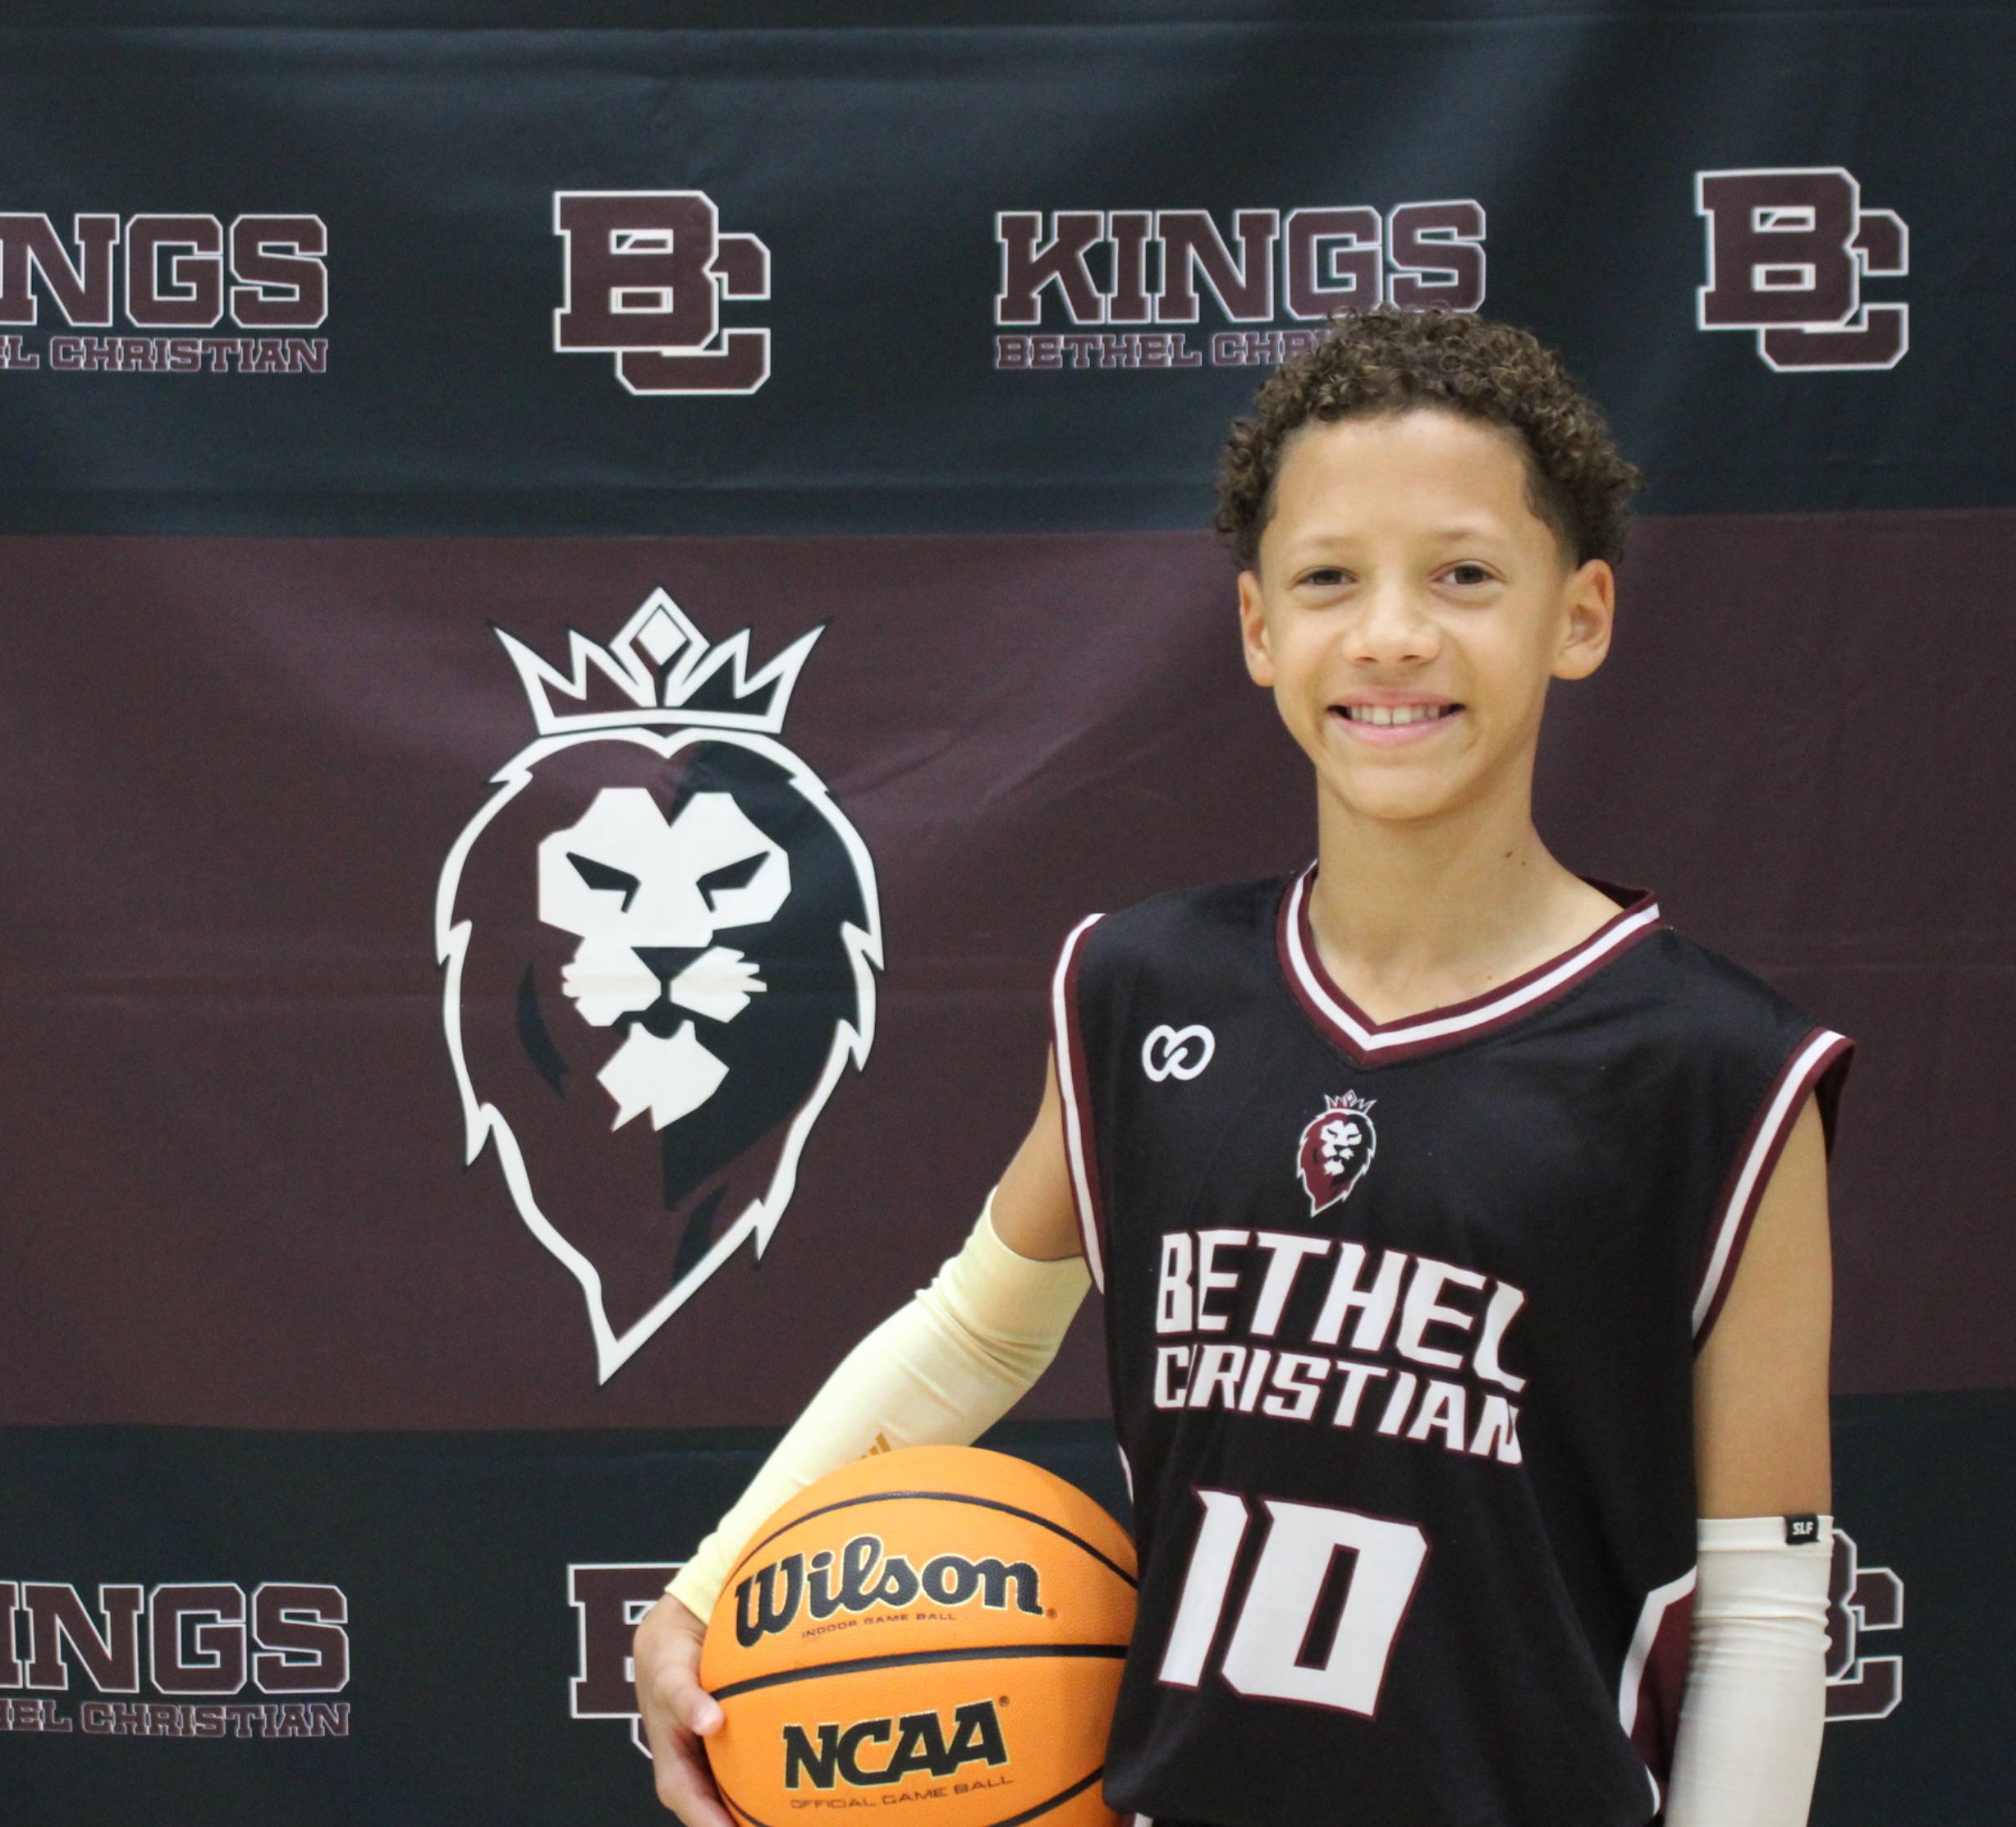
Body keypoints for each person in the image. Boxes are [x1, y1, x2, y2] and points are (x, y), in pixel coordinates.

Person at [633, 308, 1849, 1827]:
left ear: (1580, 614)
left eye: (1464, 575)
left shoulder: (1716, 1070)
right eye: (1329, 577)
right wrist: (704, 1590)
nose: (1391, 634)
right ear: (1258, 627)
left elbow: (1756, 1612)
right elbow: (973, 1335)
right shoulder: (1142, 986)